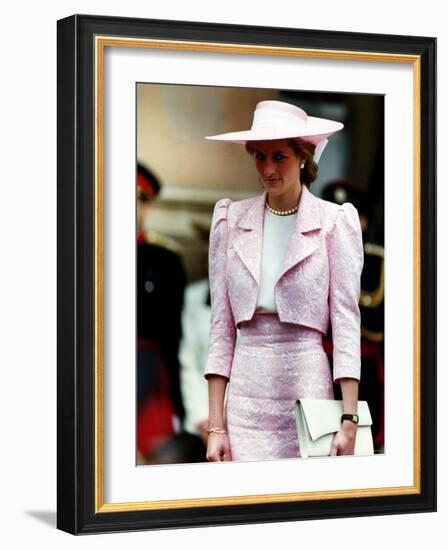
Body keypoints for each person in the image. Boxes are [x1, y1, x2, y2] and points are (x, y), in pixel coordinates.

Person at [203, 100, 364, 462]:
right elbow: (221, 329)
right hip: (244, 398)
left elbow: (346, 322)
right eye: (259, 156)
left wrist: (349, 417)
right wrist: (217, 426)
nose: (267, 169)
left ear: (303, 156)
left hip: (307, 391)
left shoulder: (334, 222)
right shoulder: (230, 220)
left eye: (279, 157)